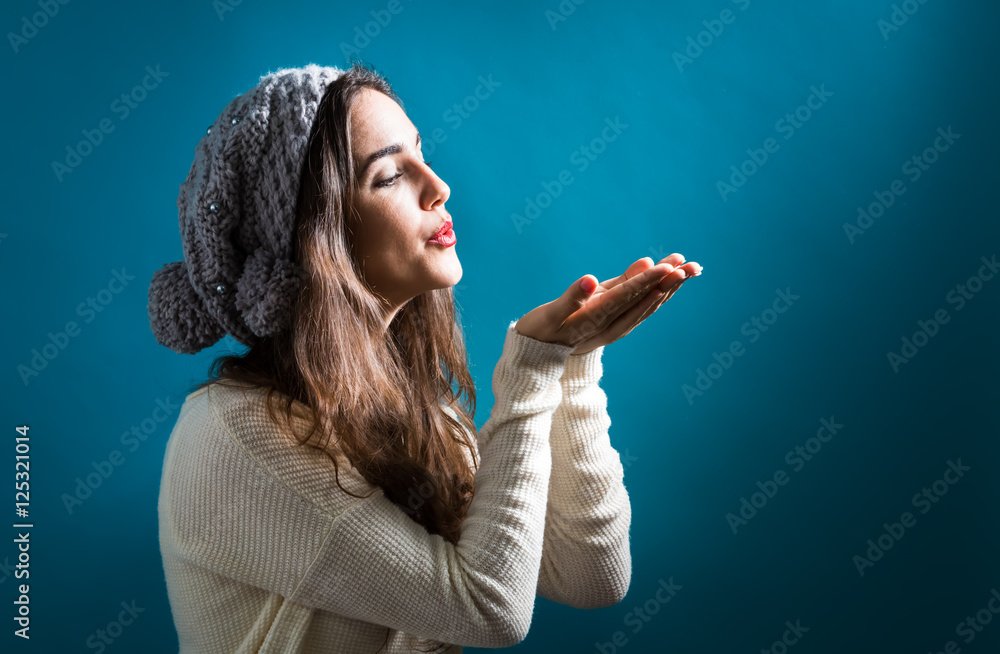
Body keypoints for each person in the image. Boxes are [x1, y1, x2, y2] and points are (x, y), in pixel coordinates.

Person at [147, 62, 702, 654]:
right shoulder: (234, 435)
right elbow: (489, 610)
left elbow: (590, 576)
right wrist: (534, 368)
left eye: (421, 152)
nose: (438, 185)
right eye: (388, 176)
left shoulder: (418, 411)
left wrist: (573, 366)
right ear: (315, 235)